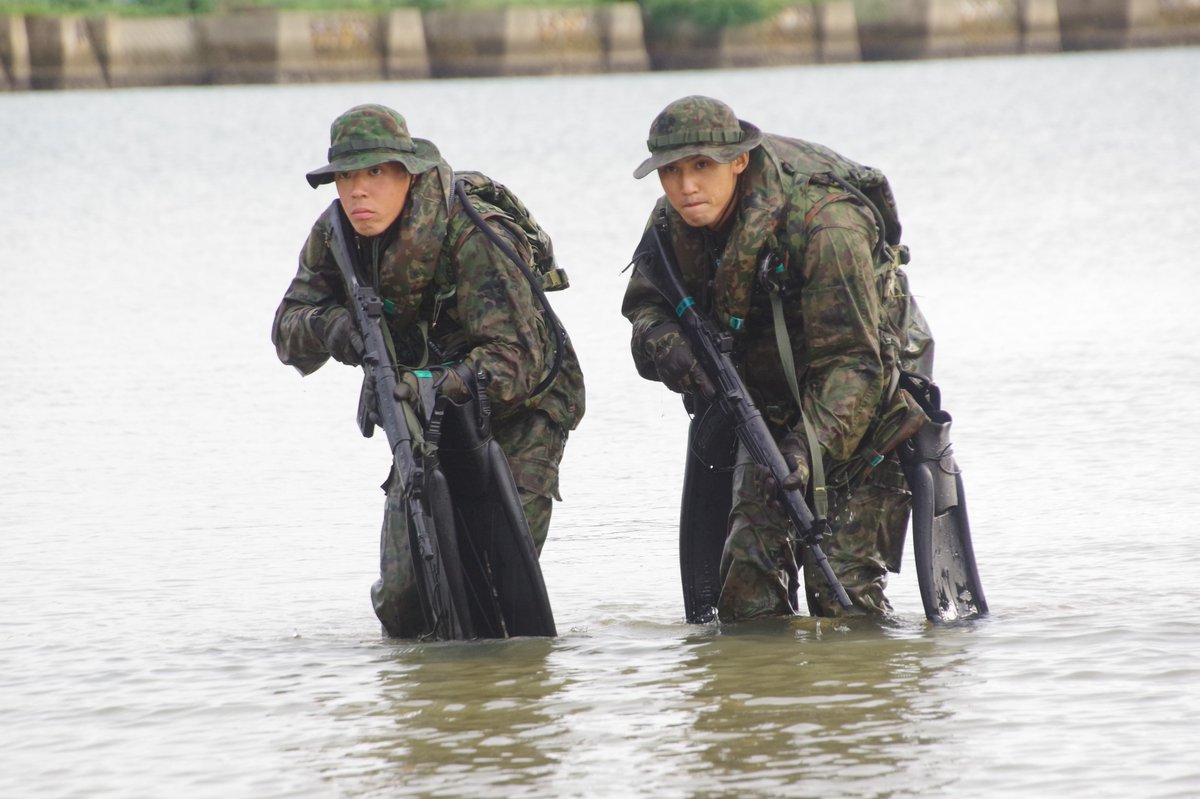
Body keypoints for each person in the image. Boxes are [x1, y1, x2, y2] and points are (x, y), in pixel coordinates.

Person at [272, 104, 585, 637]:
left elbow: (519, 358)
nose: (357, 192)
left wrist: (434, 383)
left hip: (522, 413)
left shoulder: (474, 233)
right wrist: (340, 330)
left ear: (406, 172)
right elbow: (287, 328)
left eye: (374, 173)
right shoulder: (337, 236)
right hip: (420, 417)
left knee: (493, 590)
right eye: (345, 177)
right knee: (404, 603)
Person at [622, 95, 932, 620]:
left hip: (869, 401)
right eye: (670, 171)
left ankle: (863, 695)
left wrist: (805, 450)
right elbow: (646, 306)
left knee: (842, 593)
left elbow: (856, 364)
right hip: (763, 403)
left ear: (739, 160)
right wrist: (673, 353)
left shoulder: (825, 224)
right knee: (745, 591)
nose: (685, 186)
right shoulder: (673, 220)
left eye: (702, 166)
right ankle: (757, 697)